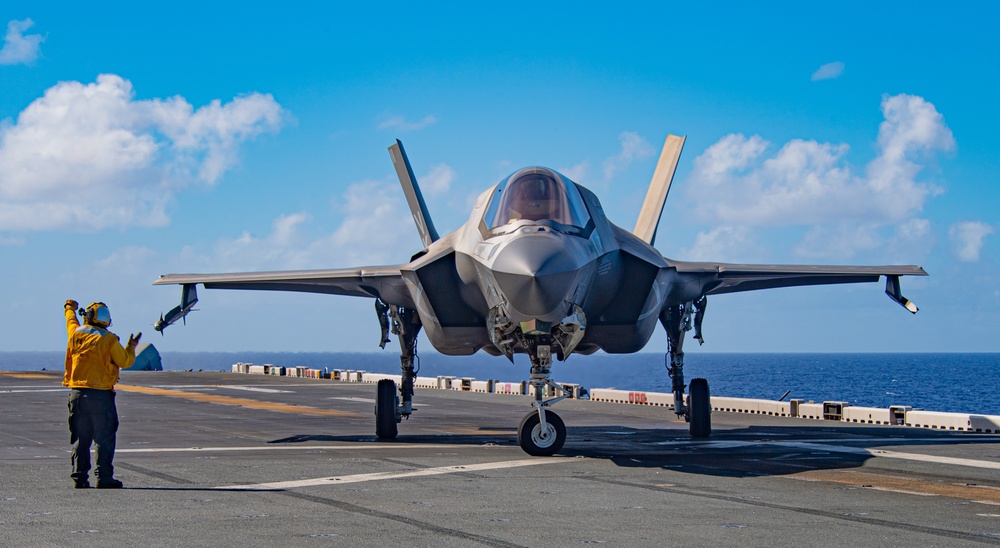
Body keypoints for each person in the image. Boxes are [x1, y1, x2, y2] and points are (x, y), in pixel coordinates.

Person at [63, 300, 141, 489]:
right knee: (104, 438)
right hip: (101, 396)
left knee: (81, 439)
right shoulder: (108, 339)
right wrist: (131, 346)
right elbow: (124, 361)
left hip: (78, 394)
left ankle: (79, 477)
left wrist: (69, 308)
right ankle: (104, 477)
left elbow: (70, 320)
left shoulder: (75, 333)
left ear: (87, 316)